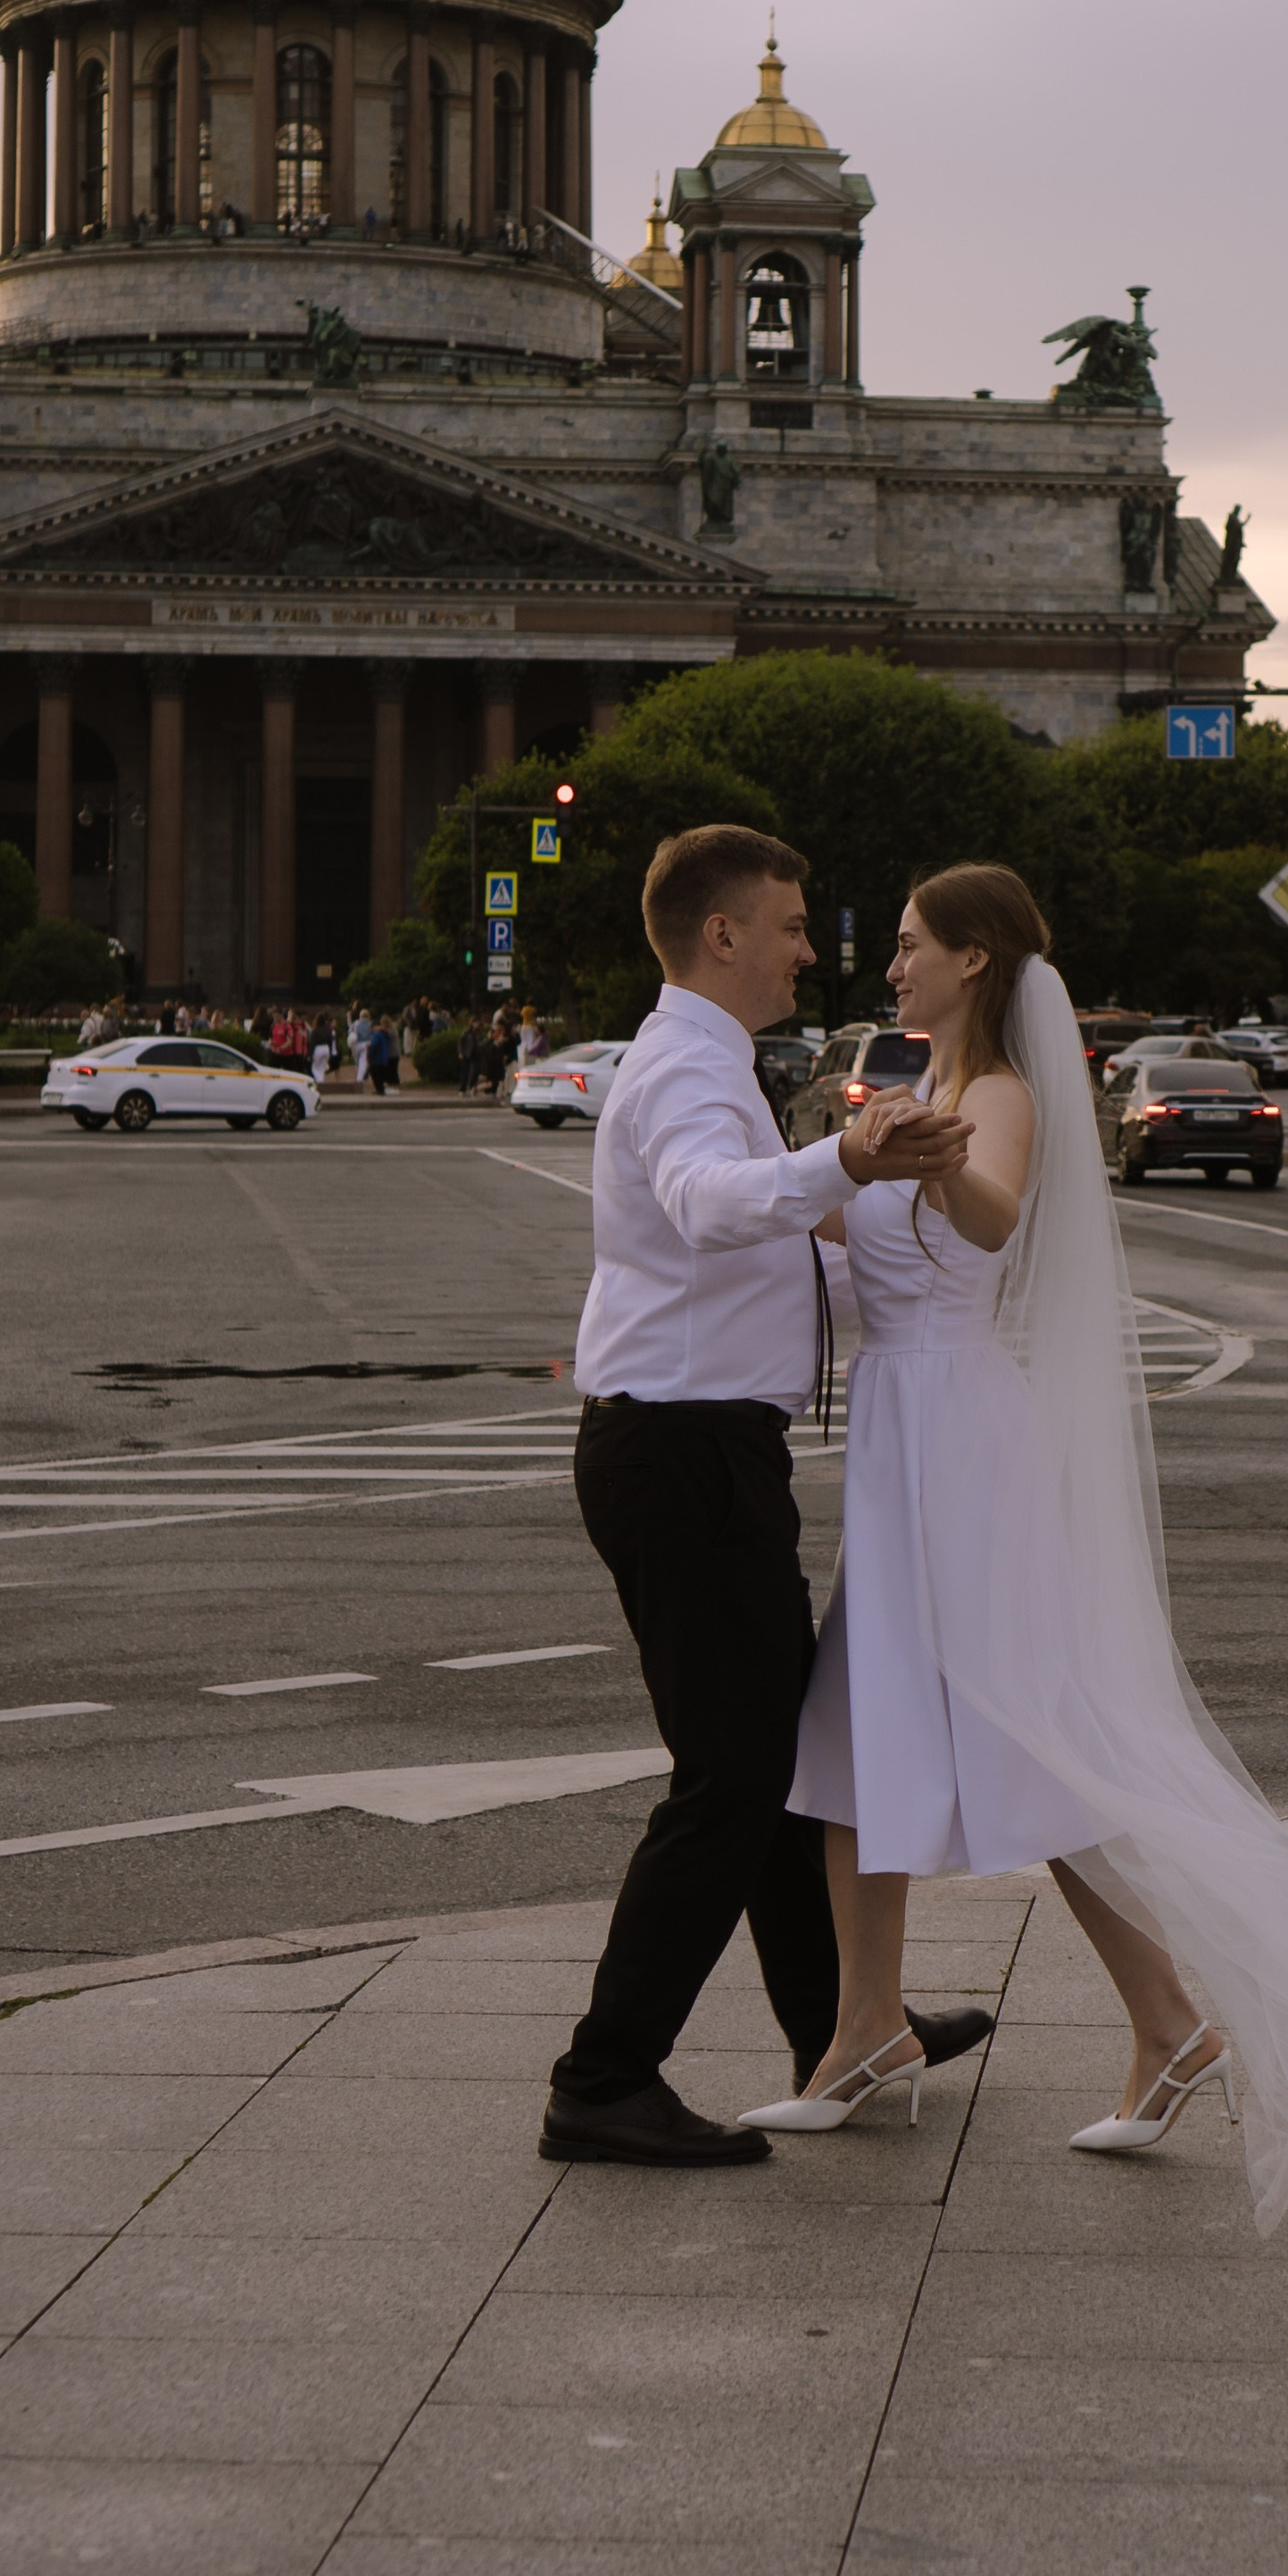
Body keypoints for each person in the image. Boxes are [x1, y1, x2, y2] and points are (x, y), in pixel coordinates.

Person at [755, 865, 1288, 2232]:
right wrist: (828, 1175)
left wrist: (920, 1158)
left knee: (1034, 1738)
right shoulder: (924, 1091)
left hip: (963, 1443)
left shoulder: (998, 1099)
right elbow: (860, 1246)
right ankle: (871, 2029)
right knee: (854, 1731)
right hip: (905, 1433)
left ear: (975, 960)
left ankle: (1168, 2020)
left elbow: (992, 1218)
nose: (894, 967)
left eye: (913, 947)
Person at [542, 823, 985, 2172]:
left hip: (700, 1453)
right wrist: (845, 1168)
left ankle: (845, 2031)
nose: (810, 950)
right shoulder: (684, 1070)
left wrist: (919, 1286)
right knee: (733, 1780)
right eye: (789, 926)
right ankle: (603, 2078)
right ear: (722, 935)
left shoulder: (706, 1059)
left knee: (781, 1766)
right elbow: (707, 1206)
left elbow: (765, 1258)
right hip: (682, 1459)